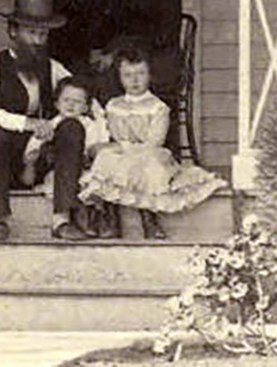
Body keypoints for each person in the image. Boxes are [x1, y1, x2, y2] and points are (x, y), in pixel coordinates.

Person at [0, 0, 104, 242]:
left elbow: (90, 103)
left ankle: (61, 220)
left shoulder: (54, 69)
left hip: (40, 165)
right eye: (31, 33)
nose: (37, 41)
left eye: (43, 34)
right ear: (13, 31)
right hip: (0, 163)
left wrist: (97, 136)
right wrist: (25, 123)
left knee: (72, 127)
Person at [78, 47, 226, 240]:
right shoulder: (114, 105)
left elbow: (154, 142)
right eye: (128, 75)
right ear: (120, 78)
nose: (134, 80)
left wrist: (125, 146)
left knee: (150, 162)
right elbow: (113, 135)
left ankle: (149, 218)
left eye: (140, 73)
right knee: (107, 158)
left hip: (148, 152)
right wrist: (119, 146)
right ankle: (111, 218)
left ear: (149, 75)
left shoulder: (157, 107)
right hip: (123, 154)